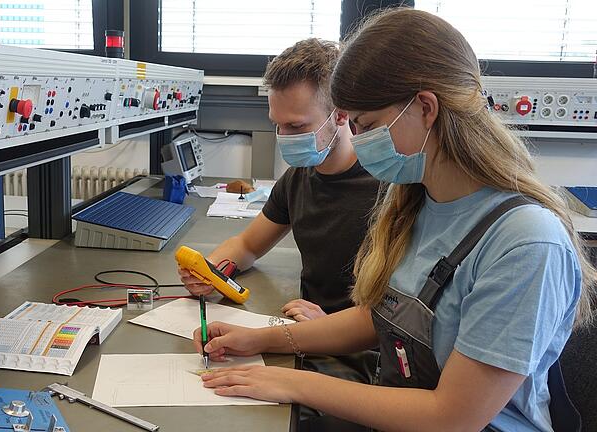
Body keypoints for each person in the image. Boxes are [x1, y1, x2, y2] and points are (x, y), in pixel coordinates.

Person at [192, 8, 596, 431]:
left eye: (367, 125)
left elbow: (451, 418)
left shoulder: (525, 244)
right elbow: (377, 318)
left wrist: (291, 382)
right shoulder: (419, 199)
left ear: (425, 108)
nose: (361, 141)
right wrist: (260, 339)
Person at [179, 38, 380, 321]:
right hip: (306, 326)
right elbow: (247, 245)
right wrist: (209, 271)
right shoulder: (298, 178)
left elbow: (394, 315)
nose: (284, 137)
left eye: (296, 126)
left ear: (341, 114)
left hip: (356, 346)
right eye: (277, 125)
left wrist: (327, 325)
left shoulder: (385, 188)